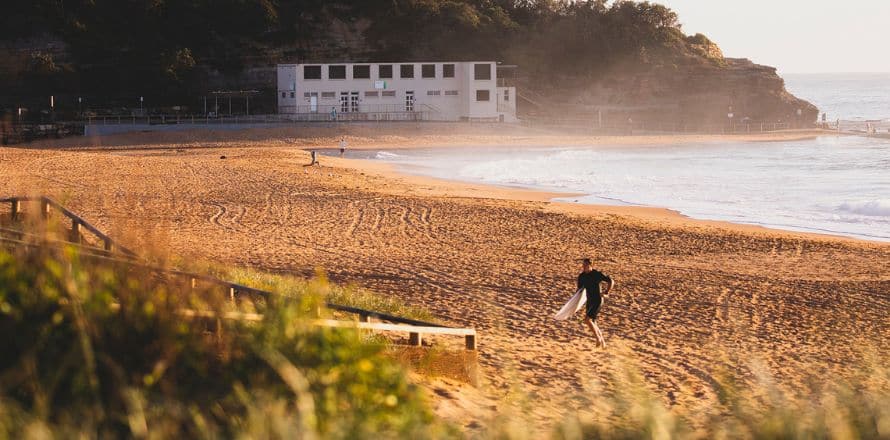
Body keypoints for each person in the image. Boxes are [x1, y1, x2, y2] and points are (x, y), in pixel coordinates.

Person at [577, 257, 614, 348]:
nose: (583, 266)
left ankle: (598, 338)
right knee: (593, 322)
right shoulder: (581, 276)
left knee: (587, 320)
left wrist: (607, 292)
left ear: (590, 265)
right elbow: (579, 290)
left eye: (585, 265)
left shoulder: (597, 274)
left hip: (597, 300)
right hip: (589, 300)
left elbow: (611, 281)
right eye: (583, 265)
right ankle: (603, 344)